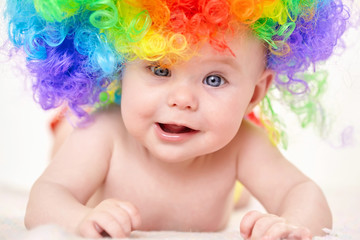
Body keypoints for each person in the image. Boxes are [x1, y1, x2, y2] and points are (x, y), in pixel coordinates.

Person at [5, 0, 349, 239]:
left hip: (219, 145)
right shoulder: (104, 133)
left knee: (241, 193)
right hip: (92, 132)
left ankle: (237, 191)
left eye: (214, 79)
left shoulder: (244, 143)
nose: (182, 99)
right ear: (119, 68)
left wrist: (291, 225)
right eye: (160, 68)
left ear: (255, 94)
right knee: (72, 136)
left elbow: (303, 193)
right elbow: (45, 199)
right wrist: (79, 219)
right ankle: (63, 128)